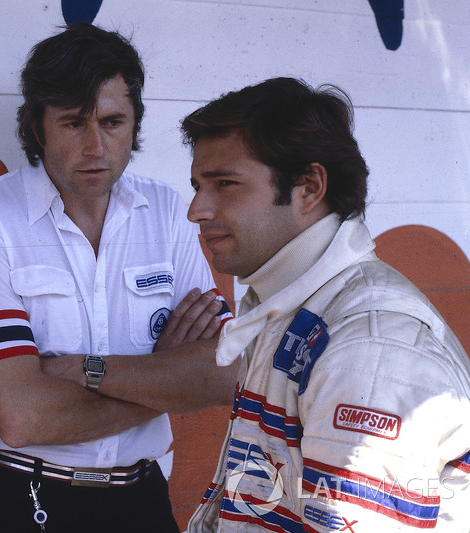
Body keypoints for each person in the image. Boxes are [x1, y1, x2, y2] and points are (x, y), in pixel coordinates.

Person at [0, 23, 235, 533]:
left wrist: (73, 369)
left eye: (112, 121)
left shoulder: (169, 211)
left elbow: (223, 377)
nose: (95, 147)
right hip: (23, 492)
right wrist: (165, 374)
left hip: (141, 492)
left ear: (134, 123)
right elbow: (20, 419)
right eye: (73, 123)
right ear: (37, 129)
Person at [181, 77, 470, 532]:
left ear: (309, 187)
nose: (197, 208)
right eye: (198, 184)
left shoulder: (367, 348)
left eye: (225, 183)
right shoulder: (288, 304)